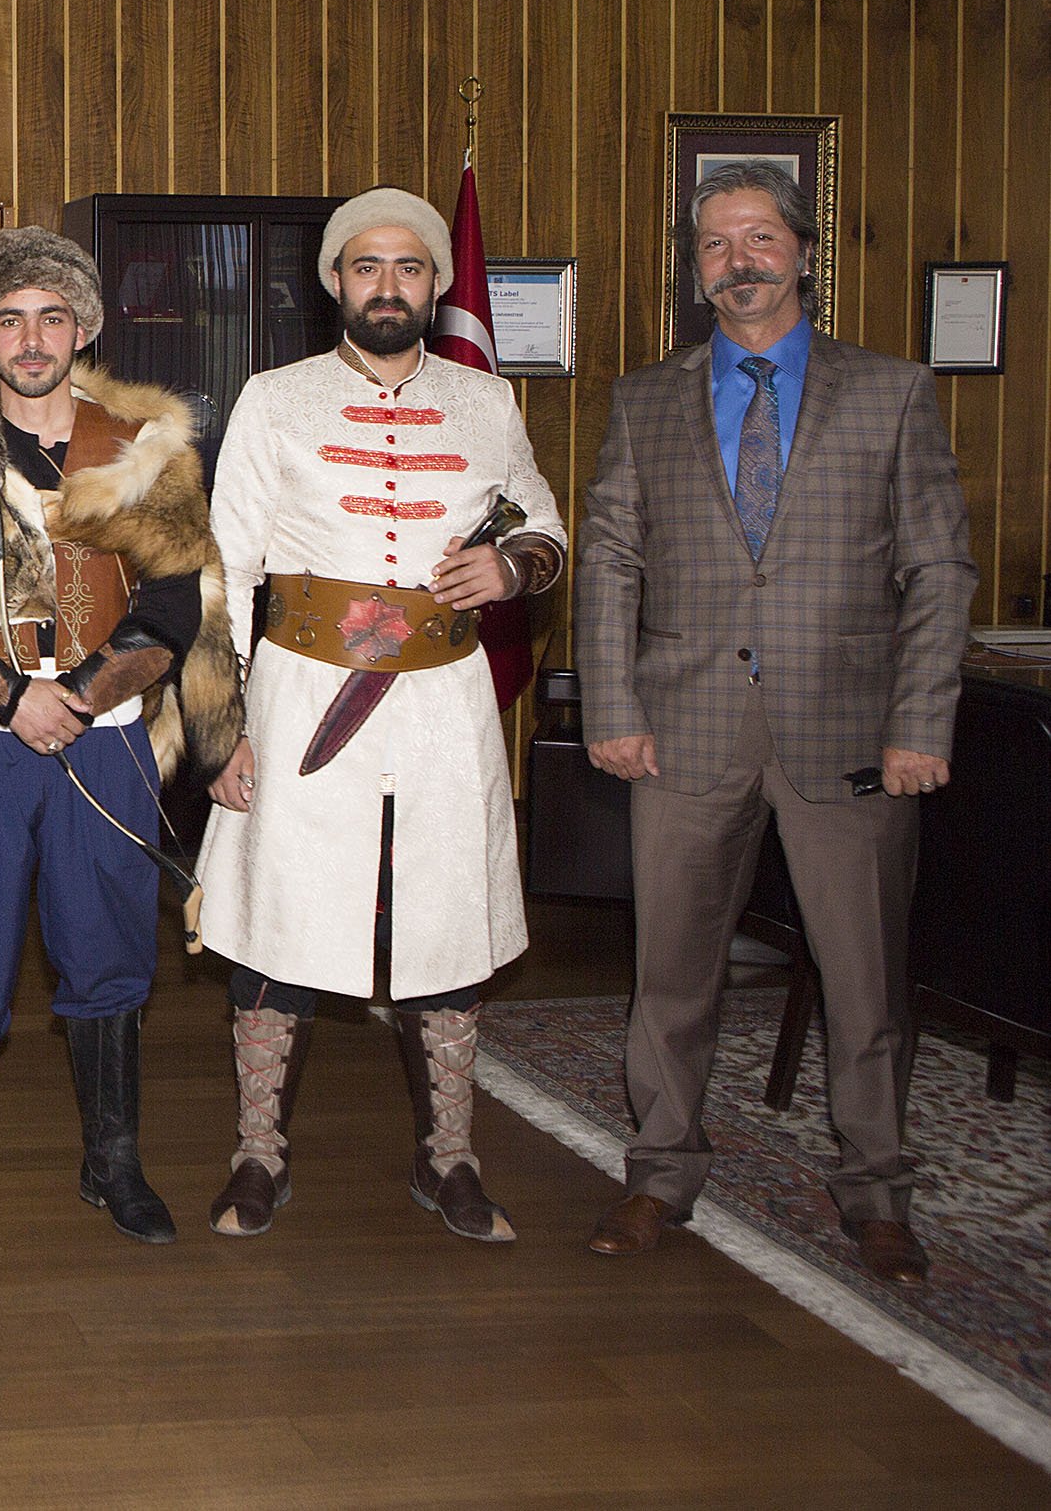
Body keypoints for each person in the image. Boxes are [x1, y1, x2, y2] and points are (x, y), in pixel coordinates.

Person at [576, 159, 974, 1286]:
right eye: (714, 243)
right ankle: (659, 1174)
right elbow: (608, 562)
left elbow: (939, 569)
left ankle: (877, 1192)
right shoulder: (645, 399)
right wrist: (611, 704)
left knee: (865, 979)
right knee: (670, 975)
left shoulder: (891, 391)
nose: (737, 260)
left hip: (850, 733)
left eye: (759, 237)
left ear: (802, 251)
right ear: (693, 267)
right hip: (680, 730)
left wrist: (920, 721)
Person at [195, 187, 569, 1244]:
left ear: (436, 284)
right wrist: (224, 727)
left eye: (409, 267)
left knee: (443, 923)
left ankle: (449, 1155)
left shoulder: (487, 402)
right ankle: (258, 1151)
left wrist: (514, 564)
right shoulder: (274, 399)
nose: (388, 285)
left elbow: (543, 525)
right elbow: (226, 571)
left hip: (445, 710)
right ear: (334, 282)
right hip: (302, 701)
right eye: (367, 266)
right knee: (279, 918)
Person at [0, 224, 238, 1249]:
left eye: (51, 317)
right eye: (8, 318)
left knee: (109, 946)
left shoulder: (142, 448)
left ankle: (113, 1159)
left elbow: (175, 601)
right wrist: (6, 697)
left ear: (83, 327)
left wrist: (76, 694)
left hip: (105, 737)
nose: (30, 339)